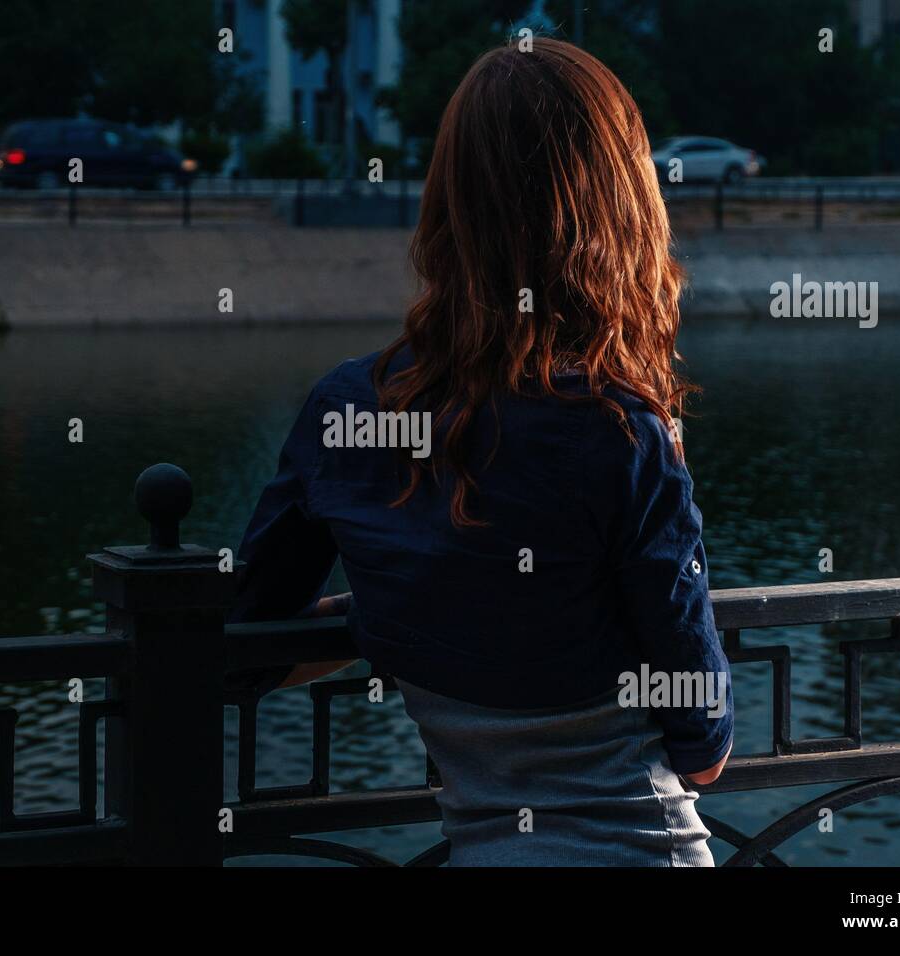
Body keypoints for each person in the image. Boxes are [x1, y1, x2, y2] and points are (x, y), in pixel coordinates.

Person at [228, 37, 733, 866]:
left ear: (448, 203)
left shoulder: (346, 410)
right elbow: (703, 742)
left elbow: (242, 637)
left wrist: (394, 606)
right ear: (619, 208)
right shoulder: (620, 432)